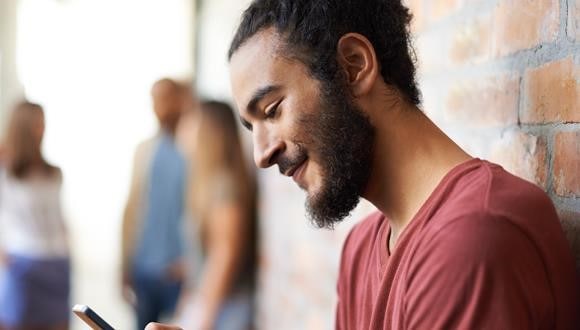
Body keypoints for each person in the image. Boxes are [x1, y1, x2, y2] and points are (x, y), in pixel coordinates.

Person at [148, 0, 579, 329]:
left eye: (273, 110)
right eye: (250, 125)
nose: (262, 154)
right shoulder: (360, 250)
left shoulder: (473, 237)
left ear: (353, 66)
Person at [175, 100, 257, 330]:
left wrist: (206, 313)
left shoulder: (224, 184)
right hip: (213, 302)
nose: (182, 129)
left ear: (208, 130)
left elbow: (225, 251)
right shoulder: (206, 183)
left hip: (226, 306)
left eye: (189, 122)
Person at [121, 78, 190, 329]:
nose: (158, 106)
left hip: (179, 272)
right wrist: (124, 265)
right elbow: (131, 209)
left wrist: (190, 261)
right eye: (154, 99)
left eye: (164, 98)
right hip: (144, 268)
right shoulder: (144, 150)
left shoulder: (191, 149)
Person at [0, 101, 70, 330]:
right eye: (36, 124)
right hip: (23, 263)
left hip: (56, 262)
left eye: (43, 123)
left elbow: (59, 218)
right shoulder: (6, 173)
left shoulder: (53, 173)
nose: (42, 130)